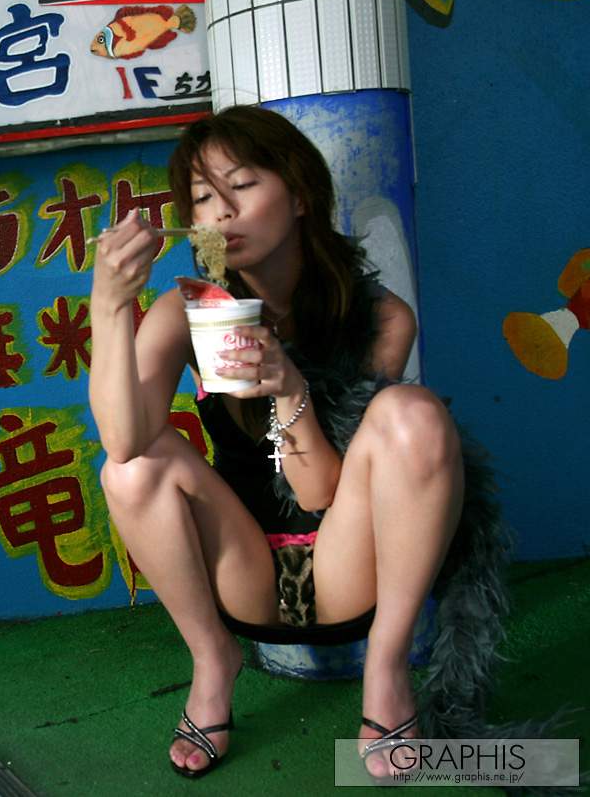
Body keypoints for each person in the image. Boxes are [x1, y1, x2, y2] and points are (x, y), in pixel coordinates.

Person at [88, 105, 467, 779]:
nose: (223, 211)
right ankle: (213, 660)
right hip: (243, 574)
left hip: (349, 565)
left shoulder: (380, 317)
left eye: (242, 185)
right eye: (204, 198)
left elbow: (321, 494)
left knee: (414, 413)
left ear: (299, 195)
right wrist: (111, 304)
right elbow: (122, 442)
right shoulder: (189, 312)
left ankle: (385, 671)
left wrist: (290, 388)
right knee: (133, 468)